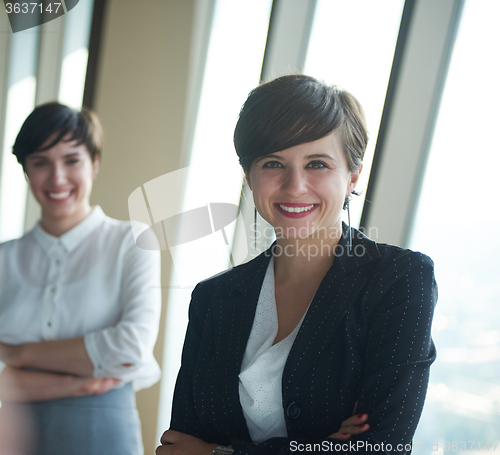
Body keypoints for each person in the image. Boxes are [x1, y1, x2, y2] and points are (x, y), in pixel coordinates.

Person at [156, 74, 437, 455]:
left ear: (353, 175)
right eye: (273, 163)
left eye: (317, 164)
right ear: (249, 177)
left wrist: (219, 452)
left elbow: (380, 448)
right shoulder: (213, 299)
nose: (294, 186)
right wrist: (320, 447)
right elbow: (177, 446)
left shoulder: (399, 280)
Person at [0, 102, 162, 455]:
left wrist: (16, 353)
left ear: (95, 163)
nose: (57, 178)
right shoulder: (3, 260)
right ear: (26, 171)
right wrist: (79, 382)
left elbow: (131, 348)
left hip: (101, 432)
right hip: (11, 434)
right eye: (40, 162)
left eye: (72, 160)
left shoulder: (132, 242)